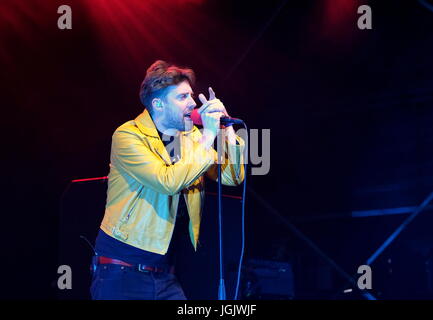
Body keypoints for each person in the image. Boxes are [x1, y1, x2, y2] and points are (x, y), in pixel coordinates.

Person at [90, 60, 245, 300]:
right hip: (122, 270)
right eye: (182, 97)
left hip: (164, 273)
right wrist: (209, 136)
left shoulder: (190, 137)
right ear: (158, 104)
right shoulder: (128, 135)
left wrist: (226, 128)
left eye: (191, 96)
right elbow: (167, 181)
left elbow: (231, 177)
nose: (193, 103)